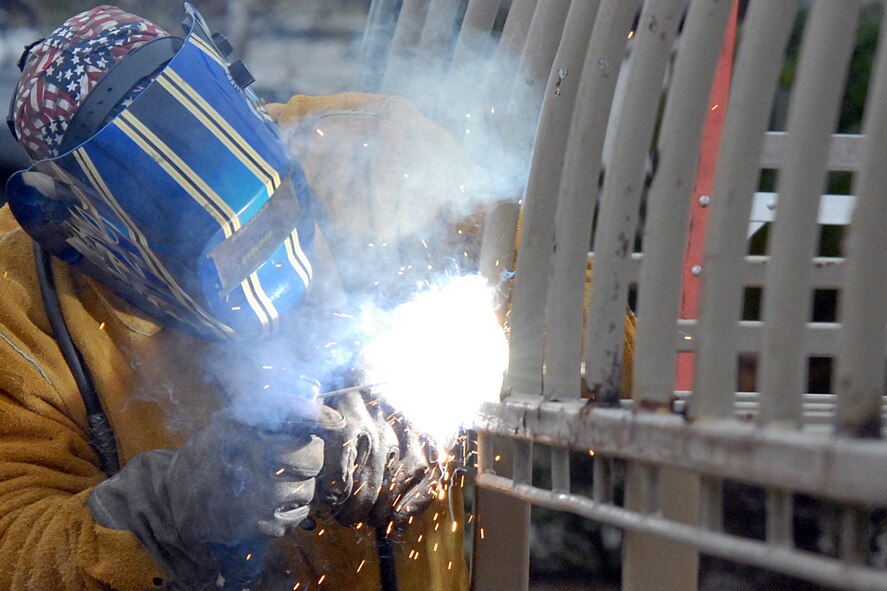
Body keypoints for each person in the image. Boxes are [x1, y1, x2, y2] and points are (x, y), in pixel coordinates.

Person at [0, 4, 476, 590]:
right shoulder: (17, 304)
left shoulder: (366, 154)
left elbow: (580, 315)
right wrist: (179, 509)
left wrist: (423, 393)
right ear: (85, 226)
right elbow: (18, 550)